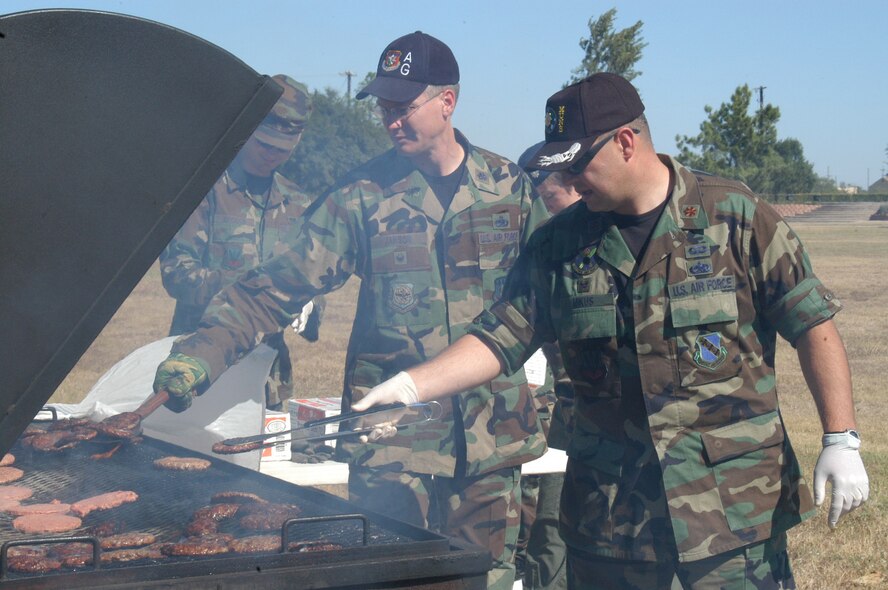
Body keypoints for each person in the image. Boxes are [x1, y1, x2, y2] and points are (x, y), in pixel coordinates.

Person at [352, 73, 870, 589]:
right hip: (612, 523)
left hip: (732, 517)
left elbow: (812, 325)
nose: (571, 181)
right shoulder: (559, 243)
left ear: (626, 142)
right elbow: (500, 335)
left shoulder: (734, 217)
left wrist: (840, 438)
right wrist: (413, 385)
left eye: (579, 164)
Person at [151, 32, 551, 590]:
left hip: (491, 436)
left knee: (480, 580)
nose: (391, 121)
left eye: (404, 107)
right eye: (384, 107)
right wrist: (202, 353)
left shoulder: (509, 188)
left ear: (448, 101)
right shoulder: (361, 195)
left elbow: (548, 298)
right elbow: (273, 289)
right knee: (390, 580)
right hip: (393, 442)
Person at [158, 74, 321, 411]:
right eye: (264, 144)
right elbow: (177, 274)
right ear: (248, 130)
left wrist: (310, 304)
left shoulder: (298, 204)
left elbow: (311, 276)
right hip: (198, 363)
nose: (271, 155)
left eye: (282, 149)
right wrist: (256, 288)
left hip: (266, 378)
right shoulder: (205, 190)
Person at [512, 143, 580, 590]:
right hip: (525, 411)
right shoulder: (530, 251)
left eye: (550, 200)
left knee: (555, 529)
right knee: (519, 522)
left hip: (577, 418)